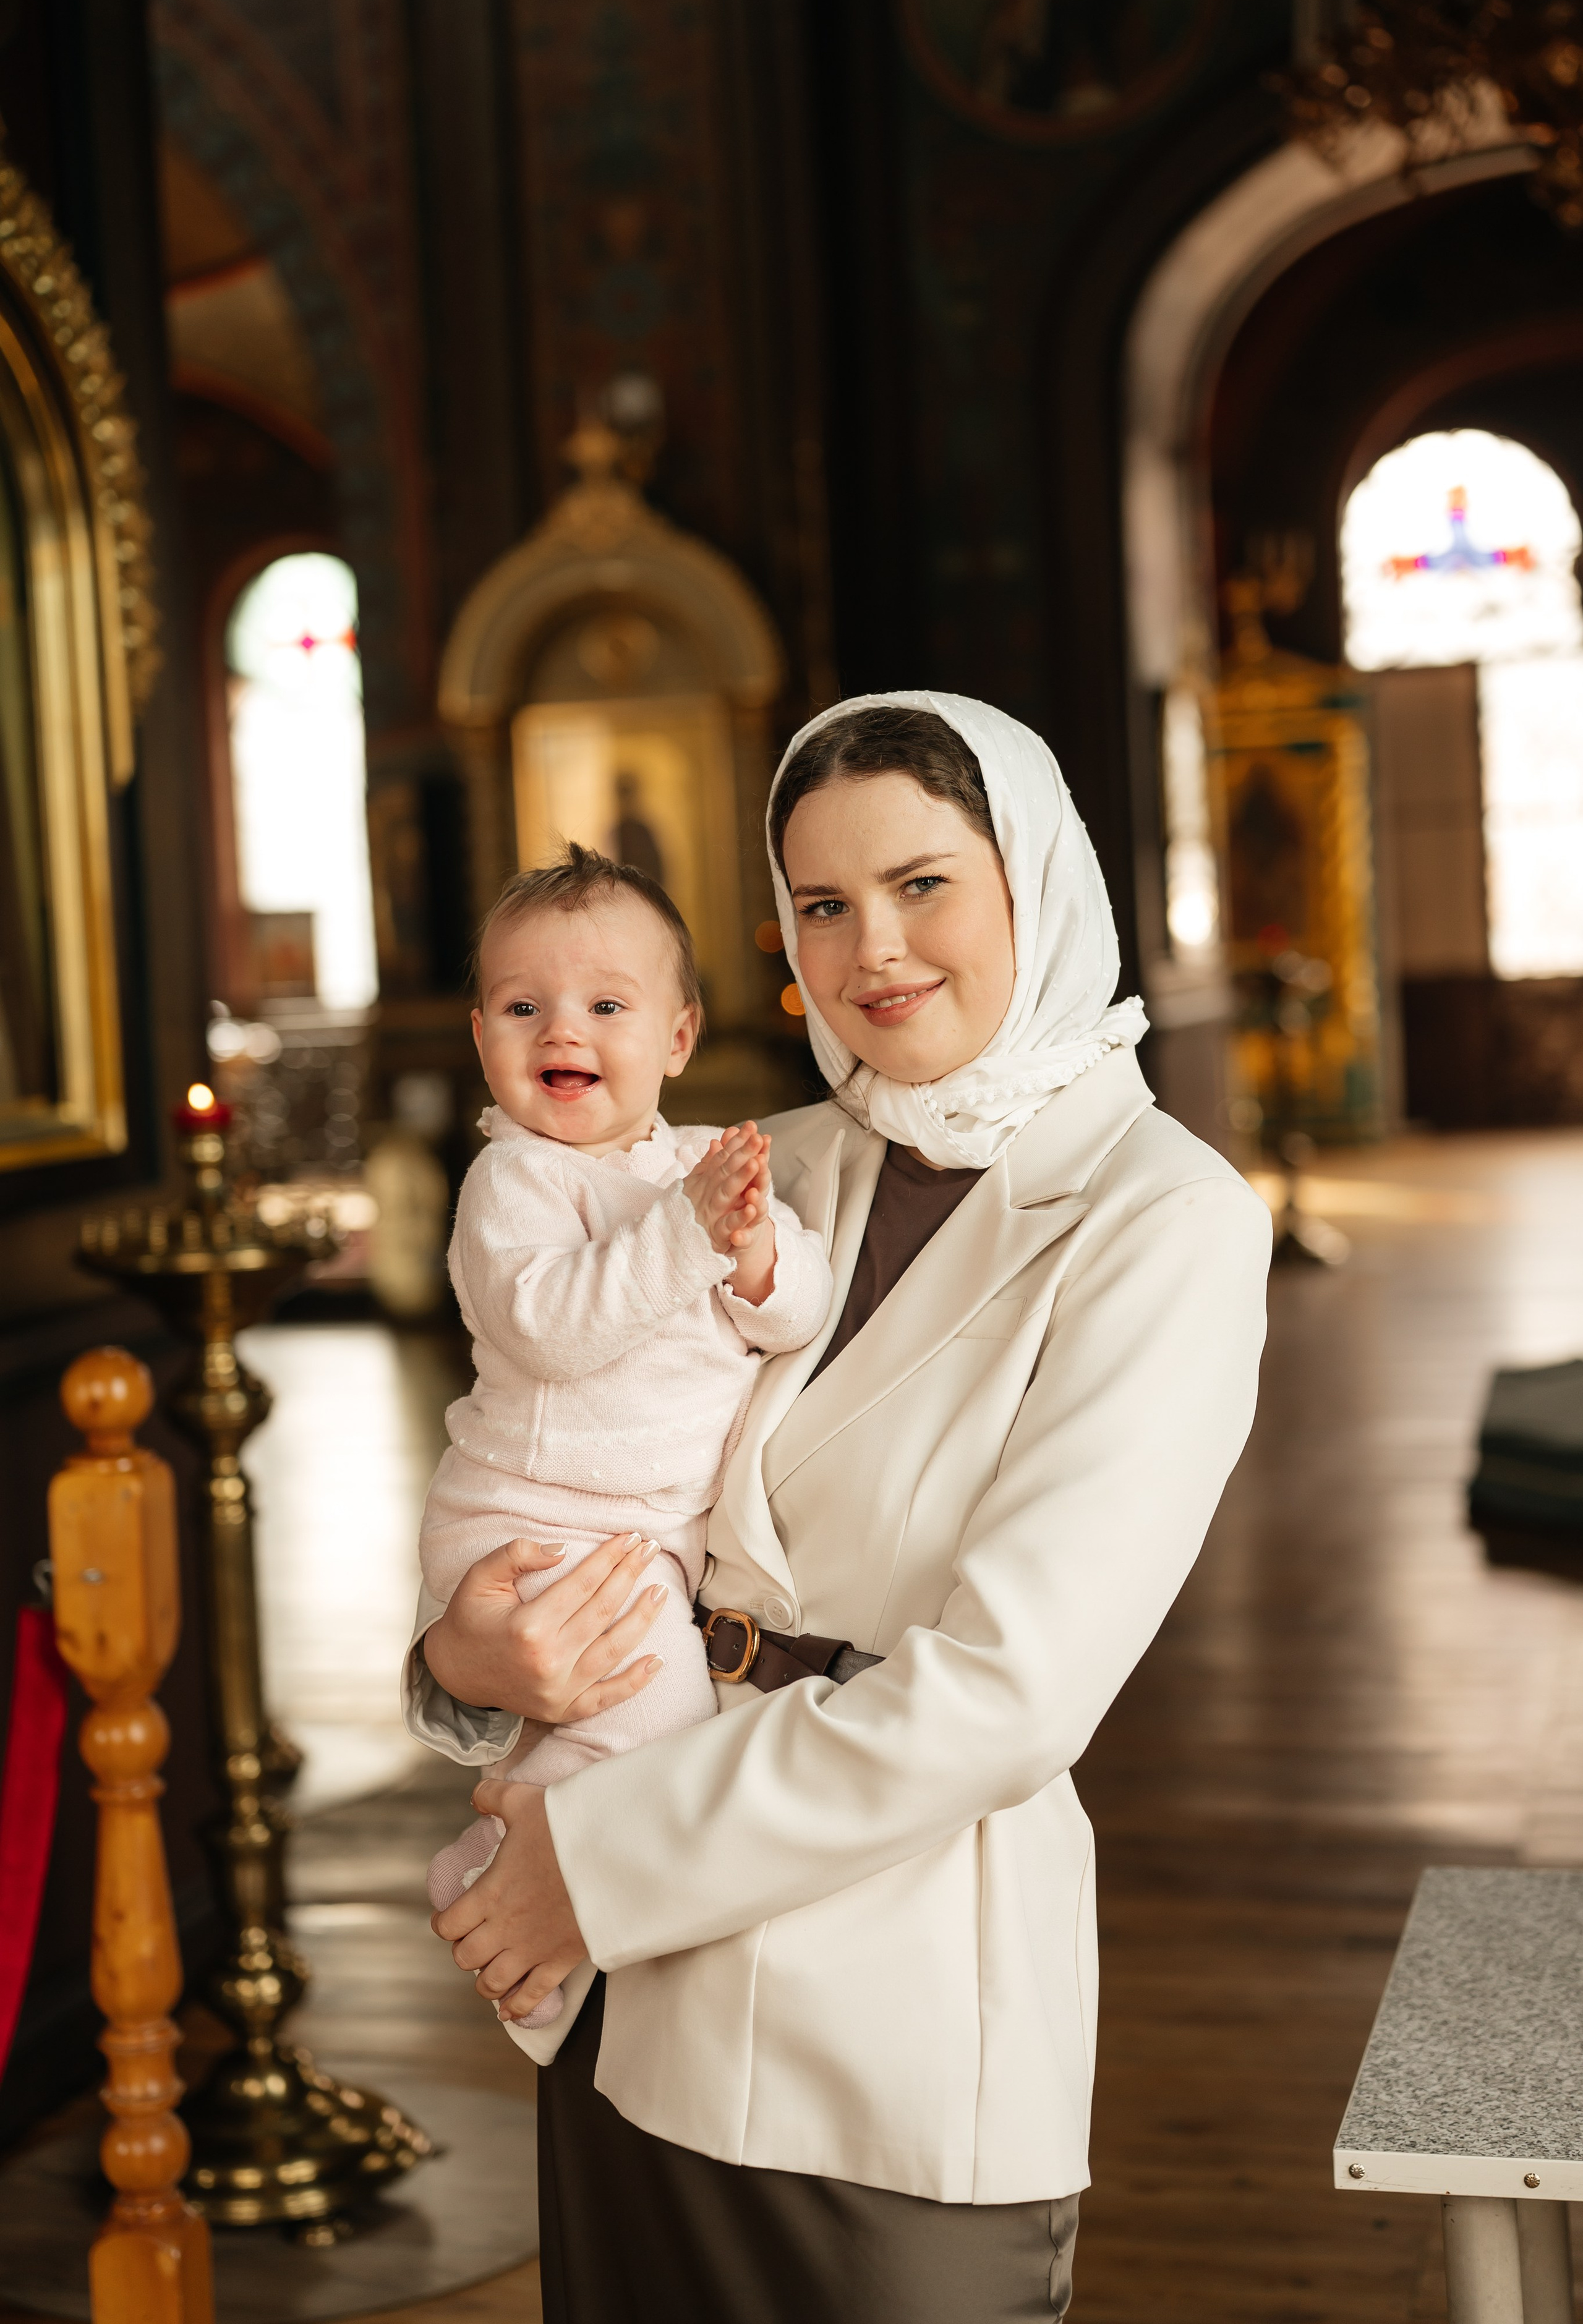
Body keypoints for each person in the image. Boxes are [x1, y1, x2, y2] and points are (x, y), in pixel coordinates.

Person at [406, 693, 1271, 2320]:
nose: (871, 949)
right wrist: (463, 1658)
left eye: (922, 884)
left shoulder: (1165, 1218)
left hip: (887, 2019)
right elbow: (555, 1448)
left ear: (1034, 878)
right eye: (820, 902)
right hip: (627, 2003)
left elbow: (1011, 1693)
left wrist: (598, 1863)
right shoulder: (744, 1167)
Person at [418, 843, 831, 2033]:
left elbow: (794, 1314)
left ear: (679, 1038)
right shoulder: (516, 1183)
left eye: (607, 1006)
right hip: (538, 1518)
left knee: (642, 1723)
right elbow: (550, 1328)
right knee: (650, 1716)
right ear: (483, 1038)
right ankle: (510, 1890)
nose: (564, 1029)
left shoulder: (704, 1167)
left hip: (640, 1531)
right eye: (524, 1008)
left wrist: (756, 1251)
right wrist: (693, 1237)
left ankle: (515, 1865)